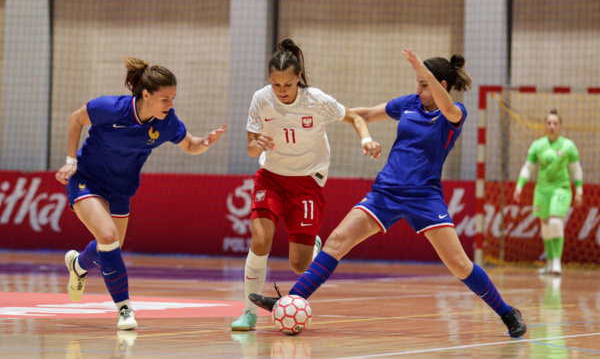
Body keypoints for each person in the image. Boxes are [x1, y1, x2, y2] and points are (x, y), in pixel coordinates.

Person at [249, 48, 528, 338]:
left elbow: (448, 108)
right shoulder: (409, 104)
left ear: (439, 85)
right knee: (337, 241)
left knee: (459, 265)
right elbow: (366, 114)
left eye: (423, 84)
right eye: (418, 83)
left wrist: (425, 70)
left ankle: (508, 312)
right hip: (385, 192)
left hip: (424, 197)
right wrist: (310, 117)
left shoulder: (454, 113)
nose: (417, 89)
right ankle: (292, 301)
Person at [55, 57, 227, 330]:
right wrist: (70, 161)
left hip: (121, 188)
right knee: (108, 236)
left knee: (110, 248)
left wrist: (205, 142)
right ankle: (124, 309)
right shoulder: (111, 108)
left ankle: (78, 264)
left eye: (173, 98)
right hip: (87, 179)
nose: (170, 105)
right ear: (145, 95)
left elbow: (191, 144)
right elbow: (77, 118)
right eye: (165, 99)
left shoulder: (166, 122)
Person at [231, 39, 381, 331]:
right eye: (276, 84)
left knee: (299, 265)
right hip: (271, 176)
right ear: (269, 80)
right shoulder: (261, 99)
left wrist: (366, 139)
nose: (282, 90)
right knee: (260, 240)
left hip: (307, 182)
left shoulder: (317, 100)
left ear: (298, 78)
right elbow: (250, 148)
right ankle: (249, 312)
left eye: (287, 84)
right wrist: (256, 142)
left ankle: (313, 244)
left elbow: (354, 117)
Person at [513, 109, 583, 275]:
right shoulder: (538, 145)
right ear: (545, 125)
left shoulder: (568, 145)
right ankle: (550, 262)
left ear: (560, 126)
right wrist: (519, 186)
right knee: (545, 227)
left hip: (561, 189)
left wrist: (579, 190)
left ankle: (557, 263)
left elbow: (576, 169)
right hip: (542, 190)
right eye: (549, 123)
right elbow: (528, 167)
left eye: (555, 123)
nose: (552, 126)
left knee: (555, 222)